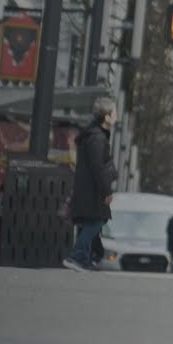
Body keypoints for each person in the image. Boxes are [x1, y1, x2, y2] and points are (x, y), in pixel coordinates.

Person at [63, 97, 118, 272]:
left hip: (88, 188)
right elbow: (98, 167)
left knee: (90, 222)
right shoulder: (97, 138)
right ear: (107, 117)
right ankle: (76, 256)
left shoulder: (93, 135)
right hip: (92, 190)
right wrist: (106, 191)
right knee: (96, 222)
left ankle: (85, 259)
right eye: (114, 112)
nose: (116, 116)